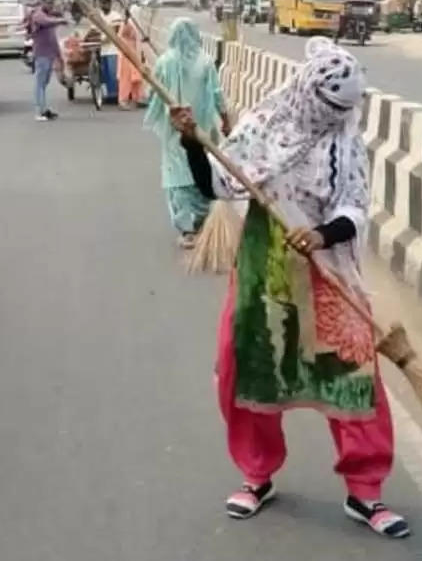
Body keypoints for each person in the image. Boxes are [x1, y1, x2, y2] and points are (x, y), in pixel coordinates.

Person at [168, 38, 407, 539]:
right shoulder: (263, 127)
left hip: (326, 270)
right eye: (328, 105)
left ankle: (366, 491)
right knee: (249, 367)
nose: (334, 116)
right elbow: (218, 184)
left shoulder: (344, 141)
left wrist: (322, 234)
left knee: (352, 379)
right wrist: (193, 142)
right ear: (305, 92)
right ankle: (257, 474)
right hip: (266, 266)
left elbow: (354, 207)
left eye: (344, 108)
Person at [144, 17, 231, 248]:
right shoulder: (206, 62)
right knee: (202, 170)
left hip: (176, 130)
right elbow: (217, 93)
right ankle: (201, 220)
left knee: (178, 173)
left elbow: (152, 94)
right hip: (202, 129)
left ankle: (187, 229)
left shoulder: (164, 62)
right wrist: (225, 120)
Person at [26, 0, 67, 121]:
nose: (50, 6)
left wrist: (59, 55)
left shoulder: (49, 16)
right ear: (42, 2)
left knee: (44, 83)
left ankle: (44, 109)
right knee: (40, 84)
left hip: (49, 55)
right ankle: (39, 111)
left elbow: (53, 39)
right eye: (48, 3)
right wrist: (60, 20)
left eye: (52, 3)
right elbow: (45, 22)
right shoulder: (38, 15)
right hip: (41, 54)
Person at [118, 2, 149, 109]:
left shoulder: (138, 24)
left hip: (135, 53)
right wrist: (126, 20)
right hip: (127, 53)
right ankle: (123, 100)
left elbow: (140, 40)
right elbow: (123, 33)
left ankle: (138, 97)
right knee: (126, 77)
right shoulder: (129, 23)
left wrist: (142, 53)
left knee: (137, 76)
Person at [95, 0, 123, 103]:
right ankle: (110, 94)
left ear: (109, 3)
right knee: (105, 74)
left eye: (104, 3)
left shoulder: (116, 16)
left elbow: (115, 31)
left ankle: (115, 95)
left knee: (113, 73)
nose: (103, 5)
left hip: (113, 49)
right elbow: (95, 30)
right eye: (101, 3)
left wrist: (104, 39)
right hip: (103, 50)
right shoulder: (99, 16)